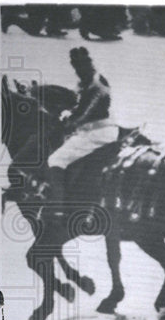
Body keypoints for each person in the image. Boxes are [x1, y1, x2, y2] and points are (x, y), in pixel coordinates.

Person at [42, 47, 119, 204]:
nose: (78, 70)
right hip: (94, 130)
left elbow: (85, 112)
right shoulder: (85, 82)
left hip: (98, 132)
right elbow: (74, 103)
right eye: (76, 67)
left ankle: (57, 205)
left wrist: (68, 122)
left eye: (81, 66)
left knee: (55, 159)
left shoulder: (97, 84)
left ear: (88, 64)